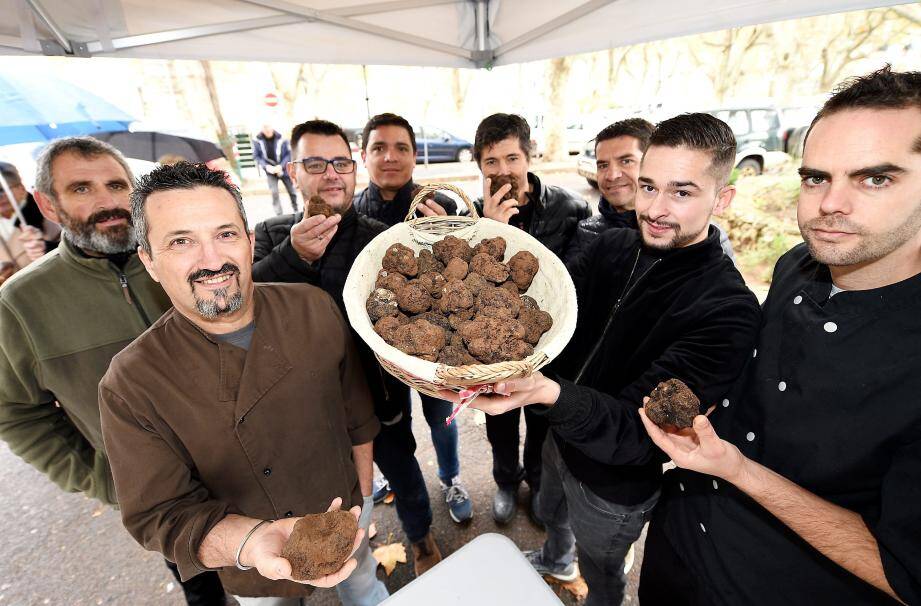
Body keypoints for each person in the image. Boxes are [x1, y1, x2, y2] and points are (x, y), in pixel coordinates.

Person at [446, 113, 761, 605]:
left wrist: (547, 392)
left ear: (721, 199)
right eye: (649, 186)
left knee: (603, 567)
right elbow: (541, 304)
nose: (654, 209)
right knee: (551, 513)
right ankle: (554, 557)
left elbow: (640, 433)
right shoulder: (611, 246)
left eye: (682, 193)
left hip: (614, 484)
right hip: (557, 438)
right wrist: (494, 239)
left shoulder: (728, 310)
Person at [638, 66, 921, 606]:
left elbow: (906, 574)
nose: (829, 204)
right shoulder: (798, 264)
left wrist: (739, 471)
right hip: (681, 537)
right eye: (816, 177)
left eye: (875, 178)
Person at [99, 161, 387, 606]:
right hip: (247, 561)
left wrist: (365, 496)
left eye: (226, 234)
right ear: (148, 261)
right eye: (181, 241)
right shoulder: (131, 382)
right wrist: (251, 543)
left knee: (365, 588)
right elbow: (162, 515)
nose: (212, 260)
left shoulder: (314, 307)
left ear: (250, 242)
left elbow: (358, 415)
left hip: (345, 513)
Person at [0, 137, 225, 605]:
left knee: (279, 577)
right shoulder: (22, 304)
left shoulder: (186, 259)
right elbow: (19, 414)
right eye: (81, 189)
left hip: (243, 461)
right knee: (204, 590)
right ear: (48, 203)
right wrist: (102, 477)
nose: (107, 203)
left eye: (116, 185)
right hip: (161, 498)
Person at [252, 118, 448, 575]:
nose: (330, 174)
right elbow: (246, 305)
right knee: (325, 486)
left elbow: (416, 311)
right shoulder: (271, 235)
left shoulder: (380, 235)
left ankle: (420, 537)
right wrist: (294, 257)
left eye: (340, 162)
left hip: (378, 397)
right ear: (291, 171)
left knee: (402, 468)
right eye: (315, 163)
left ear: (354, 169)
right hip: (303, 405)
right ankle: (334, 549)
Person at [468, 112, 591, 524]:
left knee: (541, 419)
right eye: (491, 162)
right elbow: (465, 286)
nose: (503, 171)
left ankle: (538, 483)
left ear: (529, 156)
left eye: (511, 158)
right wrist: (487, 229)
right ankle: (506, 481)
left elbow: (568, 282)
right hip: (492, 346)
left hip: (546, 347)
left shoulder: (571, 208)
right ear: (479, 167)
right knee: (498, 419)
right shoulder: (470, 213)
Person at [353, 112, 473, 526]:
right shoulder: (351, 215)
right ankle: (397, 480)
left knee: (442, 418)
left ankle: (451, 477)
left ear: (414, 156)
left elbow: (470, 265)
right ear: (364, 156)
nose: (390, 156)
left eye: (401, 147)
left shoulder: (441, 204)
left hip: (438, 344)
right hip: (381, 353)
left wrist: (443, 230)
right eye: (379, 148)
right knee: (392, 428)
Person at [562, 118, 735, 264]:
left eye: (626, 161)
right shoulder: (587, 230)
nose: (612, 175)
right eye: (603, 165)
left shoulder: (700, 237)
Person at [0, 161, 60, 273]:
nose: (0, 197)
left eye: (2, 190)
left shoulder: (49, 212)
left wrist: (46, 248)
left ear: (21, 188)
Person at [253, 124, 298, 215]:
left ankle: (296, 209)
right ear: (262, 129)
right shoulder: (257, 141)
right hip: (270, 171)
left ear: (272, 127)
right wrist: (266, 167)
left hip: (284, 169)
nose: (267, 129)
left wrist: (281, 166)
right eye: (265, 127)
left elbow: (289, 154)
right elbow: (257, 156)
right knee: (274, 192)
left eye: (268, 127)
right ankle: (279, 215)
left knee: (292, 191)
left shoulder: (282, 138)